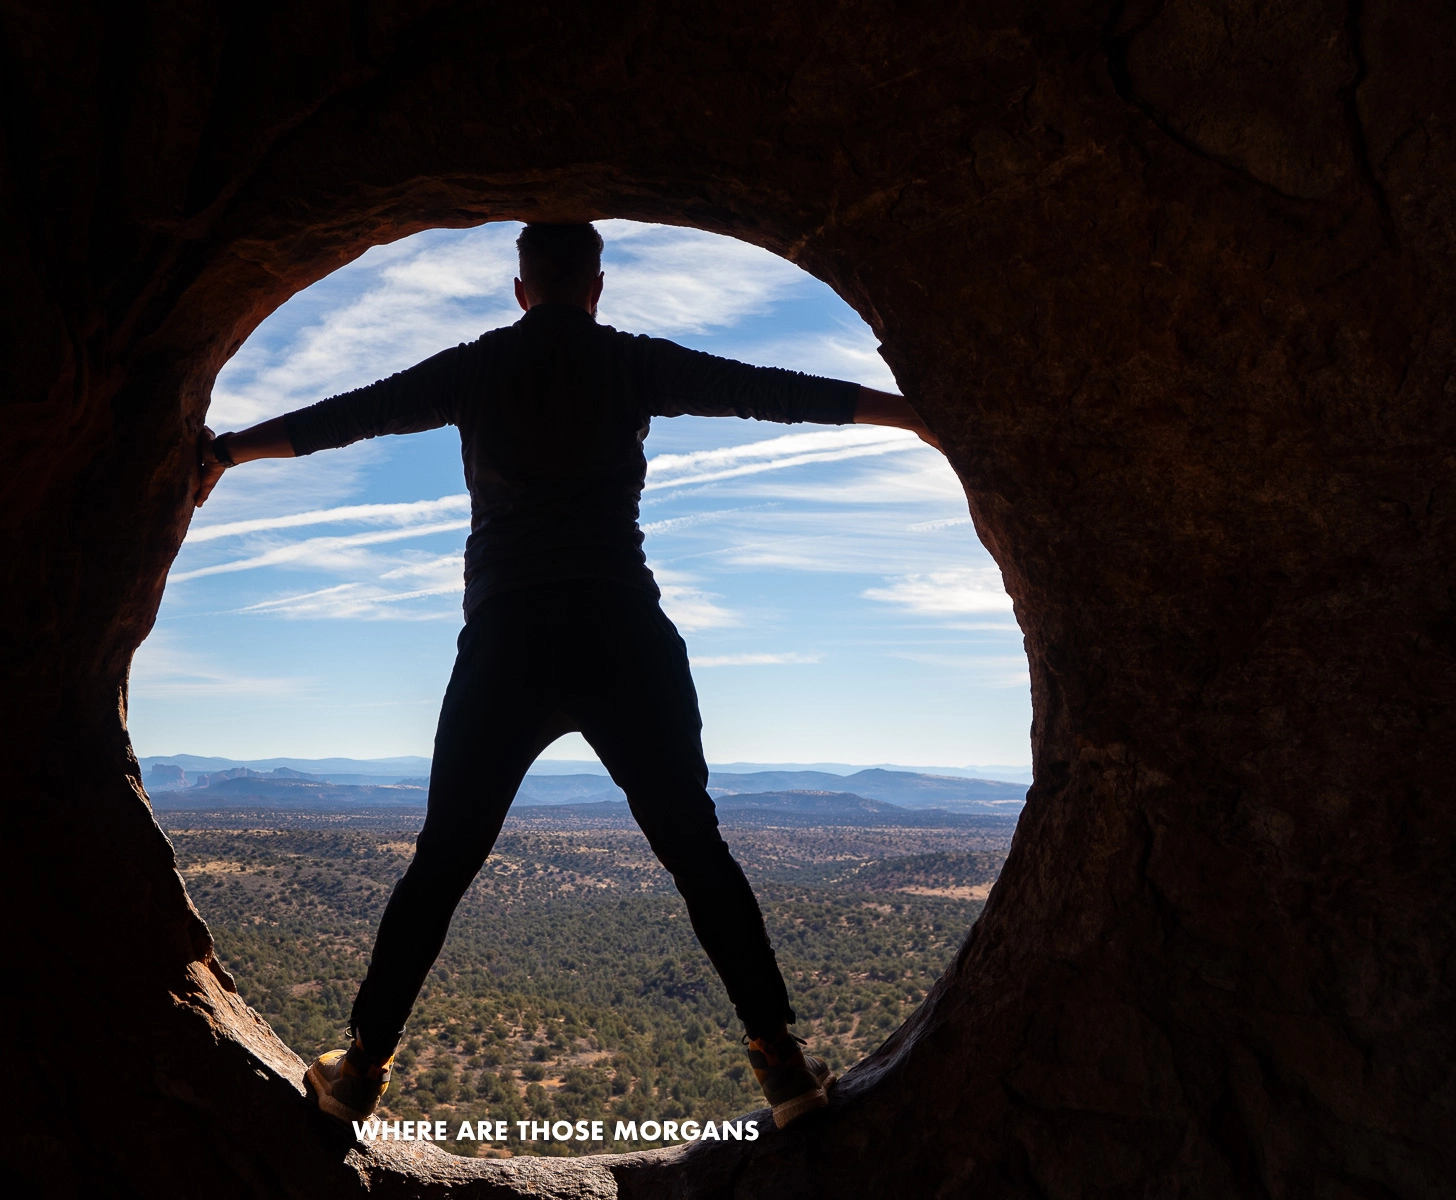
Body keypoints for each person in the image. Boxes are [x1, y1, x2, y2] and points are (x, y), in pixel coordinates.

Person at [192, 223, 941, 1131]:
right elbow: (767, 393)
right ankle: (782, 1067)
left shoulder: (475, 367)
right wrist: (911, 414)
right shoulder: (630, 362)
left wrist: (226, 451)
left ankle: (359, 1069)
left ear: (521, 290)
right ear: (595, 285)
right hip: (621, 627)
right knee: (694, 846)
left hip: (509, 636)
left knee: (443, 859)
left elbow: (345, 416)